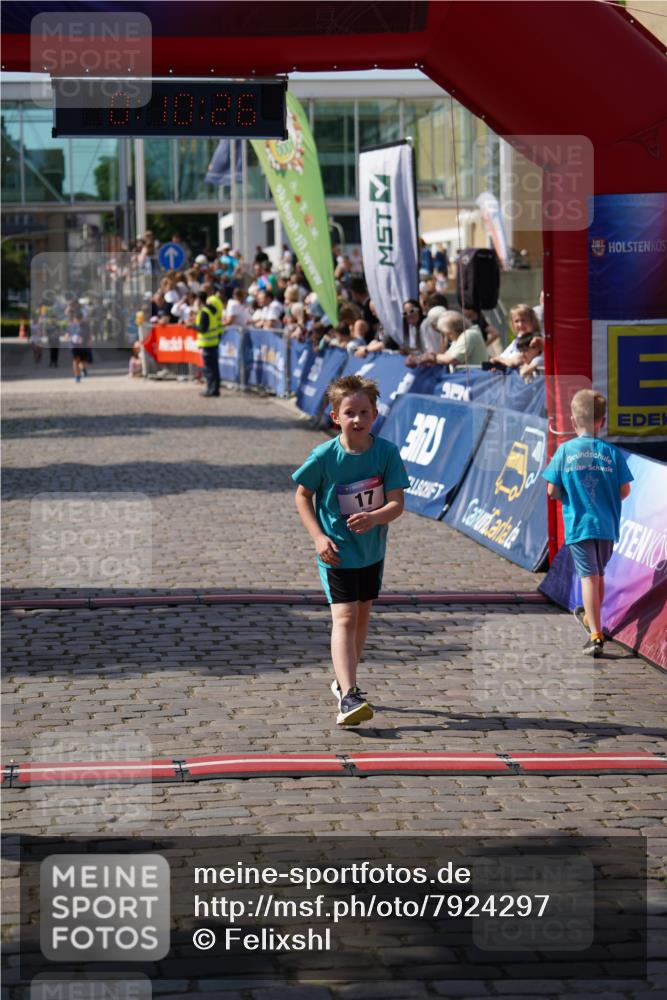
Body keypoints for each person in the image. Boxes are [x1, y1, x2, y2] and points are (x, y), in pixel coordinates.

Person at [293, 375, 409, 726]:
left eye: (364, 412)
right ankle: (349, 694)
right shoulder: (325, 456)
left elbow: (397, 504)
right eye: (350, 412)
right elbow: (302, 495)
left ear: (375, 415)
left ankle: (345, 680)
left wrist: (374, 518)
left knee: (361, 616)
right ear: (335, 417)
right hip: (336, 551)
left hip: (371, 551)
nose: (357, 419)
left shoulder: (386, 453)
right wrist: (318, 537)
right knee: (343, 617)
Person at [543, 390, 632, 657]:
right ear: (601, 421)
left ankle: (595, 634)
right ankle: (592, 621)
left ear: (572, 420)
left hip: (579, 524)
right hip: (607, 525)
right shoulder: (612, 453)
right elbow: (625, 490)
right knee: (598, 574)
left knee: (588, 578)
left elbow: (551, 490)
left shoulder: (565, 451)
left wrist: (567, 496)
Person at [195, 291, 221, 397]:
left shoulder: (204, 312)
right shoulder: (212, 310)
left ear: (199, 300)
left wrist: (192, 326)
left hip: (207, 343)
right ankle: (215, 388)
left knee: (209, 369)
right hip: (214, 342)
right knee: (214, 368)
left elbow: (202, 329)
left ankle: (211, 389)